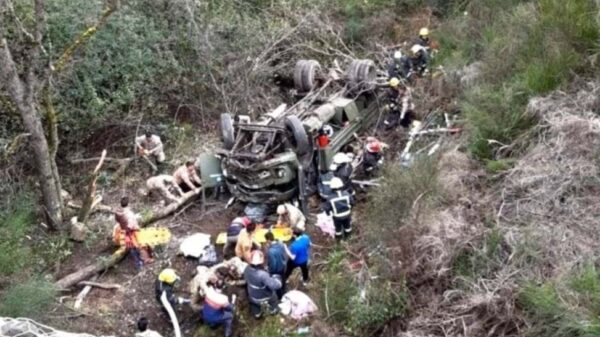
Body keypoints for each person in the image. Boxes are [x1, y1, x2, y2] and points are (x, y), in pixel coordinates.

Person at [114, 196, 152, 268]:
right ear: (128, 204)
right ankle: (144, 260)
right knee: (141, 245)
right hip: (132, 231)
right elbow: (131, 225)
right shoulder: (129, 214)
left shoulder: (117, 212)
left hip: (124, 231)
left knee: (132, 248)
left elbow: (117, 220)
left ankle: (139, 263)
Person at [243, 250, 282, 319]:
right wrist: (277, 279)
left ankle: (257, 314)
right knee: (274, 299)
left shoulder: (246, 269)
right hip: (264, 297)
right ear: (262, 261)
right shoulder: (262, 275)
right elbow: (275, 286)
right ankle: (273, 311)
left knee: (254, 304)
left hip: (253, 296)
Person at [264, 232, 287, 299]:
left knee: (277, 283)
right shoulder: (280, 244)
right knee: (283, 278)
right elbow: (284, 255)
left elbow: (273, 264)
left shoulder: (270, 251)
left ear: (268, 240)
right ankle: (284, 288)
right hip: (283, 265)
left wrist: (269, 270)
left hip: (276, 270)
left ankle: (280, 297)